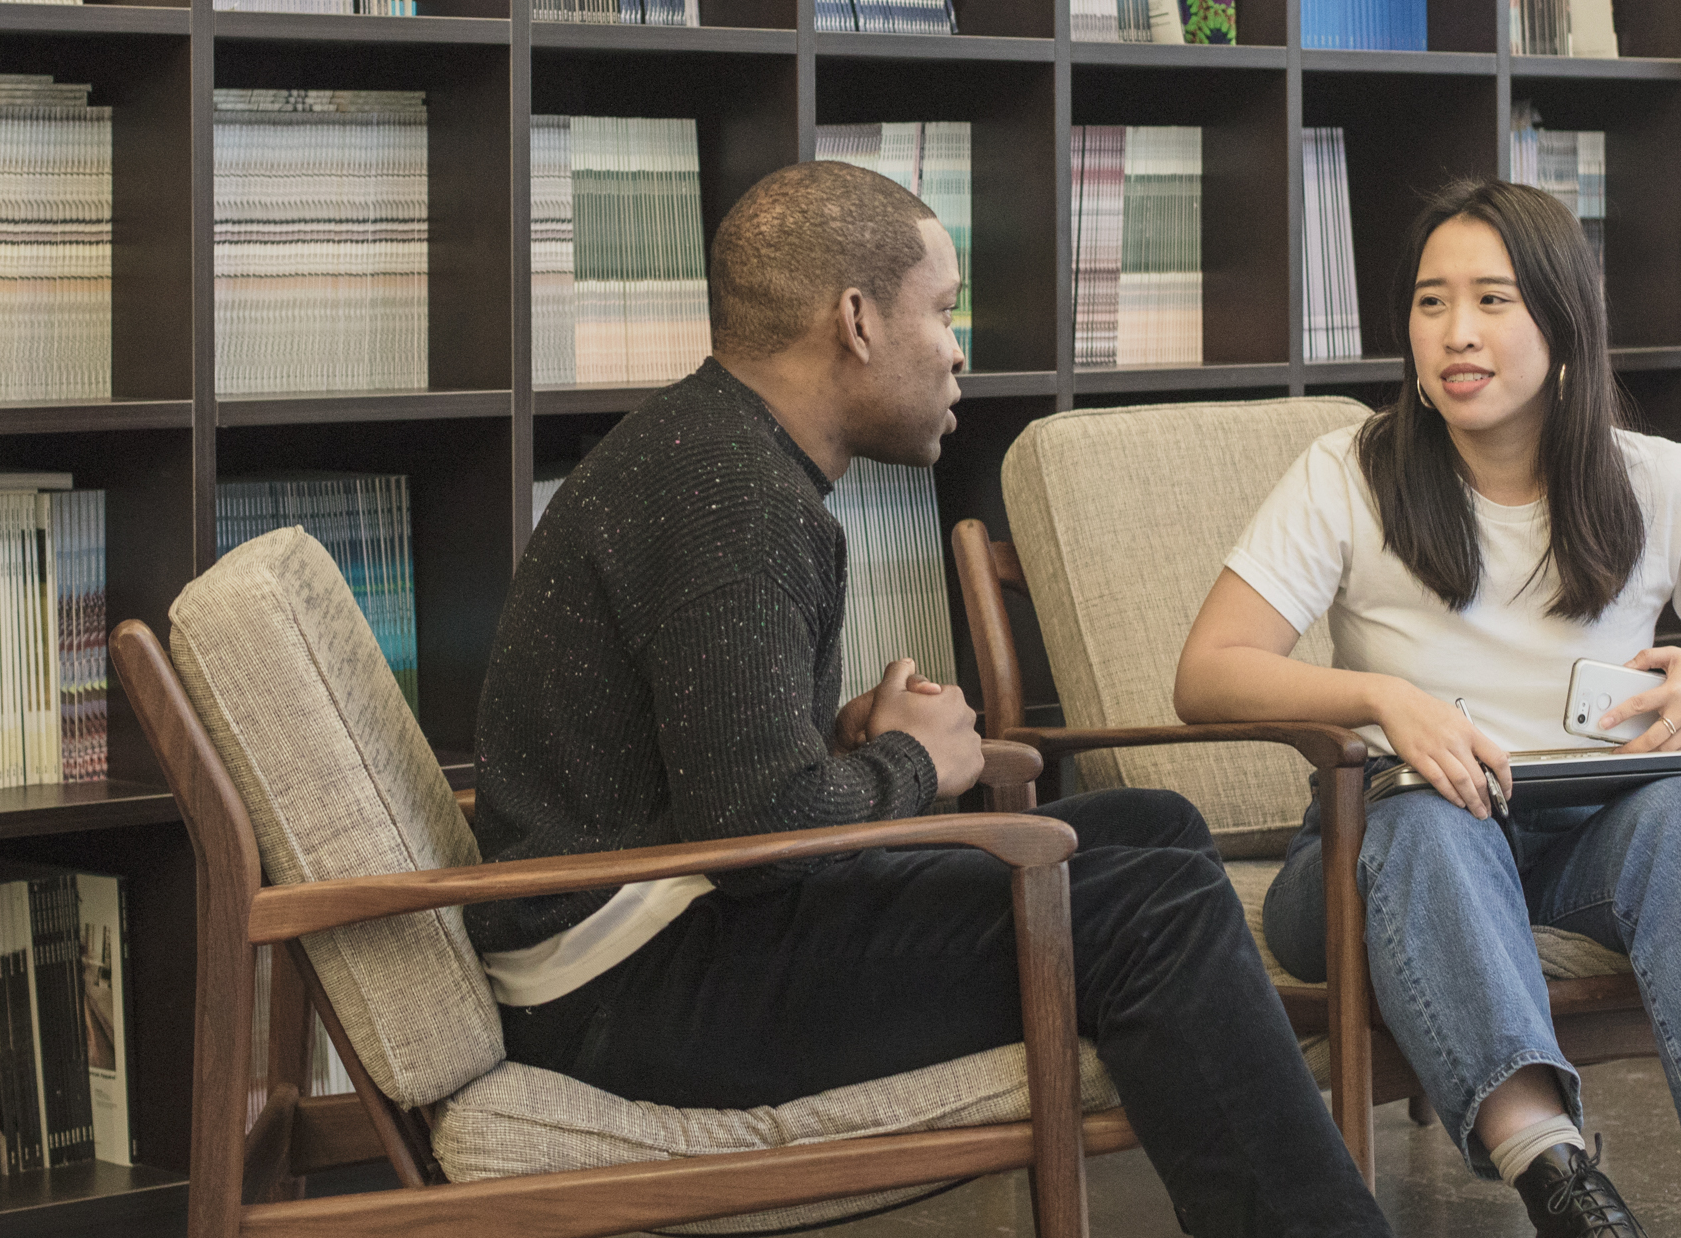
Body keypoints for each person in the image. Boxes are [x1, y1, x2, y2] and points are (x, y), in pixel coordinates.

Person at [468, 161, 1390, 1238]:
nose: (958, 349)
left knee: (1155, 826)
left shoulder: (710, 453)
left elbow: (717, 779)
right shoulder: (735, 498)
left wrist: (844, 747)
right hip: (636, 983)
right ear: (854, 320)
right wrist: (917, 763)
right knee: (1151, 911)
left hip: (664, 929)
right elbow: (755, 834)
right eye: (944, 311)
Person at [1175, 178, 1681, 1238]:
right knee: (1430, 817)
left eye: (1491, 300)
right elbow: (1208, 670)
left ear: (1563, 324)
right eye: (1430, 302)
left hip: (1582, 844)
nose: (1455, 332)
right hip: (1366, 854)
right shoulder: (1347, 473)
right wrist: (1385, 697)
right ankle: (1559, 1177)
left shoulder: (1653, 479)